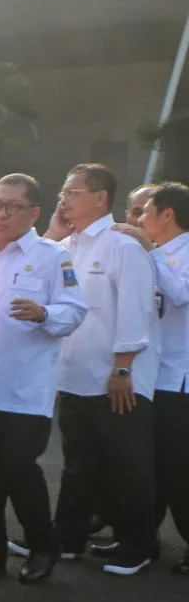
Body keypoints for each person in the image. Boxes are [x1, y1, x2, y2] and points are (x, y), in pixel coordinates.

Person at [0, 174, 87, 584]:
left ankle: (42, 546)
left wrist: (45, 313)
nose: (1, 213)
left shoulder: (52, 257)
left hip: (23, 391)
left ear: (34, 213)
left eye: (13, 206)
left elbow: (75, 311)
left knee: (19, 472)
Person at [43, 164, 159, 576]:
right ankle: (67, 538)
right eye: (62, 193)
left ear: (101, 199)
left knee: (127, 466)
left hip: (116, 379)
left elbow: (135, 310)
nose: (64, 200)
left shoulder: (122, 246)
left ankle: (139, 545)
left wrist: (123, 368)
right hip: (75, 376)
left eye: (72, 193)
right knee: (79, 465)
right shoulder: (64, 248)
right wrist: (55, 231)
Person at [114, 181, 189, 574]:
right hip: (153, 375)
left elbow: (180, 294)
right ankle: (142, 538)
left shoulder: (178, 252)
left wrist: (150, 252)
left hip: (181, 379)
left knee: (178, 468)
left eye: (146, 211)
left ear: (167, 215)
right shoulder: (154, 253)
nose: (140, 219)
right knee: (149, 465)